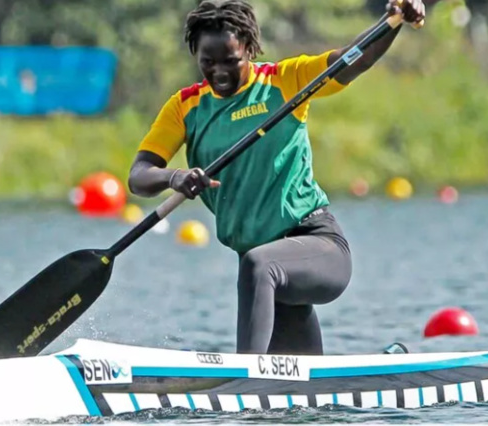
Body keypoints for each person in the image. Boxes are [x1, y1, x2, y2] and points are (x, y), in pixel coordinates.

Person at [127, 0, 426, 355]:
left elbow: (352, 61)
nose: (219, 71)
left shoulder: (284, 80)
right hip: (267, 272)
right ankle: (382, 366)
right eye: (208, 62)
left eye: (231, 61)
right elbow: (139, 176)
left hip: (316, 245)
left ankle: (242, 381)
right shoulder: (185, 106)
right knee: (299, 390)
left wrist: (392, 21)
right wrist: (174, 176)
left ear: (250, 51)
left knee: (258, 265)